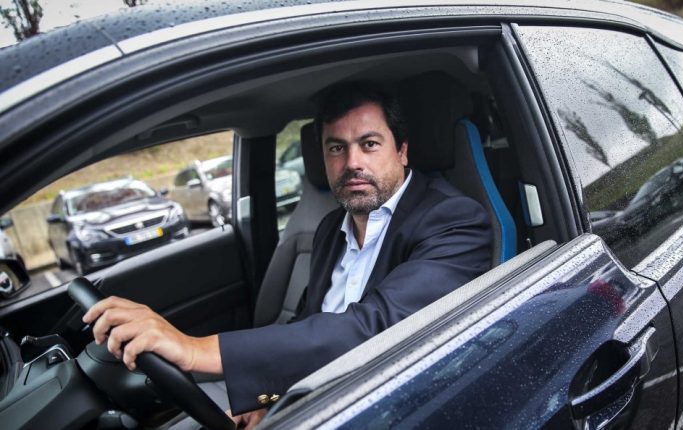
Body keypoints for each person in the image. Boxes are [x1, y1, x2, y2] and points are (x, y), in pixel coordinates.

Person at [83, 82, 493, 426]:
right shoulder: (331, 228)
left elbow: (376, 329)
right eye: (336, 148)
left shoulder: (454, 220)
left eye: (369, 144)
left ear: (401, 150)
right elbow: (310, 320)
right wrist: (264, 398)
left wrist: (195, 350)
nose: (352, 162)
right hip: (312, 395)